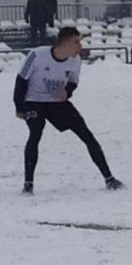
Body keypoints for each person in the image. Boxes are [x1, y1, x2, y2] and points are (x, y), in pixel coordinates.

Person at [14, 27, 124, 194]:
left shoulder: (75, 60)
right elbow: (21, 80)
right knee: (35, 134)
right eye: (76, 42)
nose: (80, 46)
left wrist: (67, 92)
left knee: (87, 135)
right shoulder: (37, 55)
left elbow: (73, 81)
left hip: (57, 103)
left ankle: (109, 178)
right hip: (34, 102)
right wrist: (19, 107)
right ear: (64, 43)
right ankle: (28, 184)